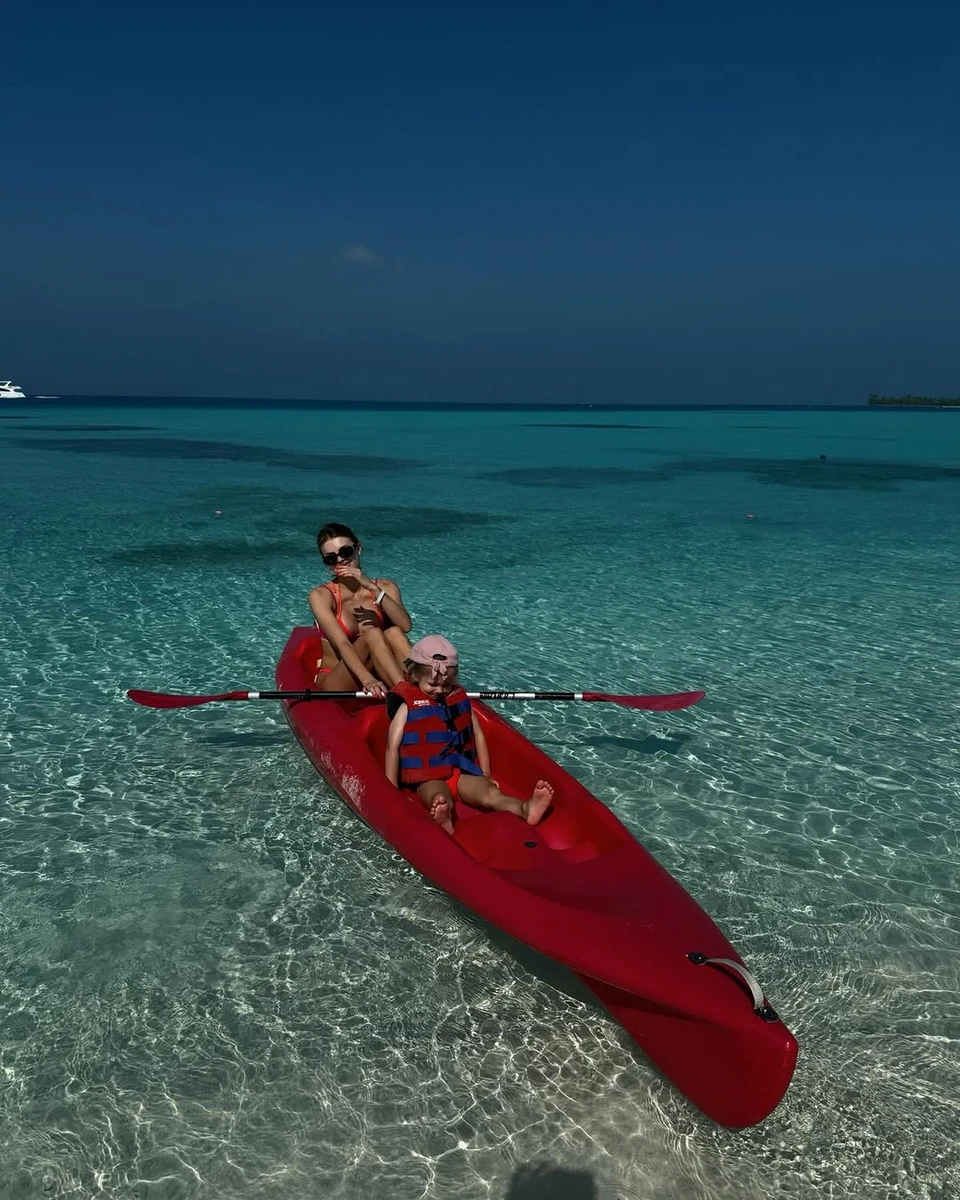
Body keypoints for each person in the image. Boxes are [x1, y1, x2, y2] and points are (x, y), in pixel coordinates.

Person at [385, 635, 554, 834]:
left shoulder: (458, 700)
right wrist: (390, 791)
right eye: (432, 684)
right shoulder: (408, 708)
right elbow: (392, 747)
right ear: (413, 676)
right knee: (438, 796)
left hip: (460, 774)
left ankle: (525, 808)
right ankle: (444, 818)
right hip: (427, 778)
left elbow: (478, 735)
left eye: (446, 686)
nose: (440, 690)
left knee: (490, 793)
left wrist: (486, 773)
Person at [308, 522, 413, 696]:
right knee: (372, 634)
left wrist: (372, 588)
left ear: (358, 549)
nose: (340, 560)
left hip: (380, 672)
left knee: (394, 632)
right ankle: (407, 695)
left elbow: (406, 626)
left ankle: (422, 689)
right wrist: (367, 679)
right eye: (331, 558)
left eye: (345, 552)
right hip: (340, 677)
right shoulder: (321, 596)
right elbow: (342, 644)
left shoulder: (385, 587)